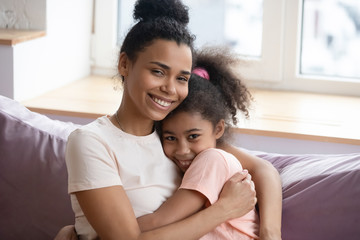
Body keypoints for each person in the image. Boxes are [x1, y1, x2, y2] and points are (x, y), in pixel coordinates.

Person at [54, 0, 282, 239]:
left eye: (182, 78)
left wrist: (270, 233)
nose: (170, 89)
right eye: (158, 72)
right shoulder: (91, 142)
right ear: (124, 64)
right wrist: (223, 210)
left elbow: (263, 170)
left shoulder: (177, 138)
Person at [137, 47, 261, 239]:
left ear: (218, 129)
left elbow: (158, 221)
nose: (182, 150)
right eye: (170, 138)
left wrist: (92, 233)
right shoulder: (182, 167)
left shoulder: (212, 160)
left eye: (193, 136)